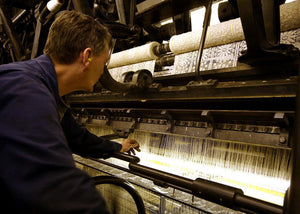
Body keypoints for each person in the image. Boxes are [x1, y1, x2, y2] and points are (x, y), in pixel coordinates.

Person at [0, 10, 140, 213]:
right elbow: (59, 188)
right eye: (105, 62)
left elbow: (76, 137)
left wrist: (117, 147)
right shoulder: (28, 93)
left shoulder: (39, 86)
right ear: (88, 56)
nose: (103, 70)